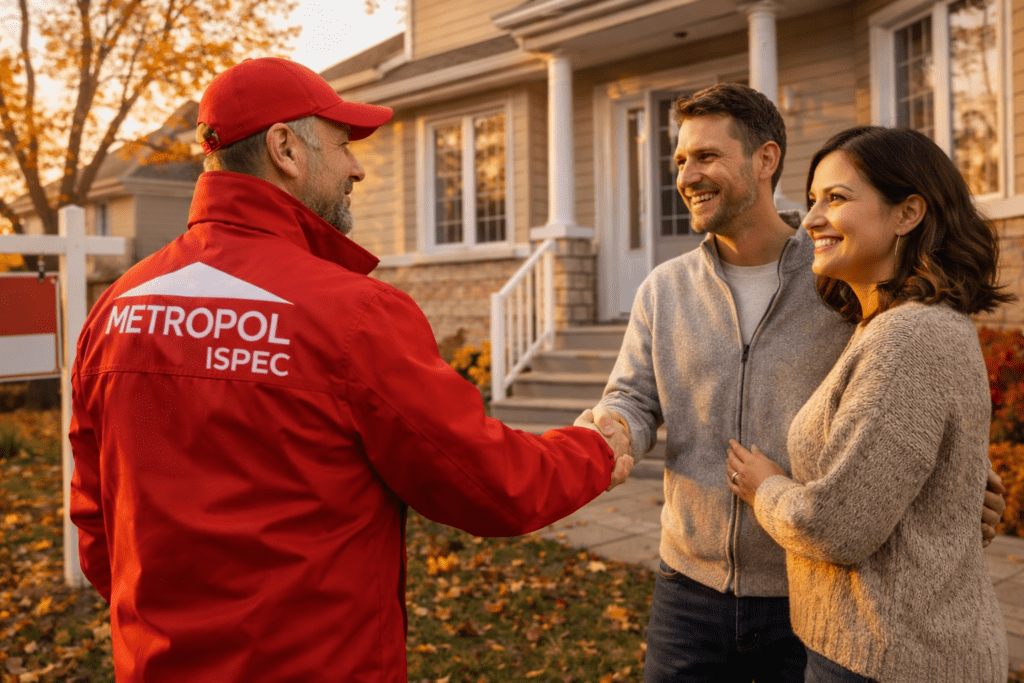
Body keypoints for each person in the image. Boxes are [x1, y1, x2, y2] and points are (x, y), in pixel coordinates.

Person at [67, 57, 632, 683]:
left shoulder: (118, 307)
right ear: (285, 147)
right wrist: (595, 450)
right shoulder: (353, 314)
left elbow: (96, 523)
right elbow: (489, 482)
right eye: (342, 145)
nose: (358, 167)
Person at [575, 84, 1006, 681]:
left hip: (808, 596)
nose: (687, 176)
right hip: (688, 590)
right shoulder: (663, 290)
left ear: (765, 159)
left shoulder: (842, 274)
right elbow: (633, 395)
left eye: (706, 156)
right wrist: (613, 426)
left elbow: (908, 402)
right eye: (680, 161)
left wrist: (964, 488)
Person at [726, 126, 1010, 682]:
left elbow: (838, 527)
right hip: (872, 651)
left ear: (907, 213)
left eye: (836, 198)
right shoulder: (882, 328)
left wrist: (766, 489)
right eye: (812, 201)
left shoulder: (909, 337)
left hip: (895, 659)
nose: (810, 220)